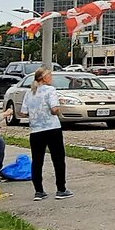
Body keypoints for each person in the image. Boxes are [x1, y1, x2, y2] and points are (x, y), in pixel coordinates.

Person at [20, 68, 71, 200]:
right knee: (58, 159)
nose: (52, 77)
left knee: (37, 161)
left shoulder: (29, 93)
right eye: (50, 75)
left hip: (36, 130)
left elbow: (23, 112)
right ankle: (61, 189)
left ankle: (39, 191)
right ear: (44, 78)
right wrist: (60, 108)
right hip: (52, 128)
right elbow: (54, 109)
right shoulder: (50, 90)